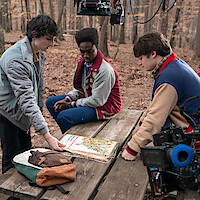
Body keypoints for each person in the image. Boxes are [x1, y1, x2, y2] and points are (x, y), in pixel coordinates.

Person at [0, 15, 65, 174]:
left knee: (26, 155)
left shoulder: (38, 52)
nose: (52, 44)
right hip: (8, 114)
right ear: (34, 34)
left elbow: (38, 87)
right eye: (49, 39)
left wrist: (39, 111)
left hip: (24, 114)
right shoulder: (15, 60)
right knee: (11, 162)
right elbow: (26, 99)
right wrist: (47, 135)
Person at [122, 32, 200, 161]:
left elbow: (155, 120)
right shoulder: (173, 65)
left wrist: (132, 149)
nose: (139, 63)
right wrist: (140, 125)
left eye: (141, 58)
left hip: (193, 139)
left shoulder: (169, 78)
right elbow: (156, 105)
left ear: (153, 54)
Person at [45, 28, 121, 133]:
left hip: (104, 107)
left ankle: (73, 139)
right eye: (82, 51)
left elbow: (97, 101)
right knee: (51, 103)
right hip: (89, 98)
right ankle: (71, 132)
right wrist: (67, 99)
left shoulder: (104, 69)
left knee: (63, 117)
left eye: (90, 51)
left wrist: (70, 105)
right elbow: (81, 89)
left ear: (97, 48)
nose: (86, 55)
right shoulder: (83, 63)